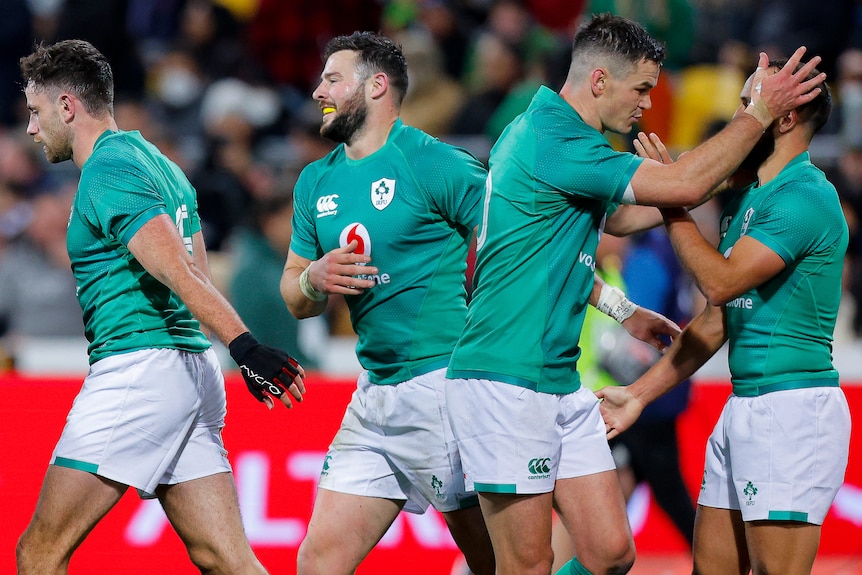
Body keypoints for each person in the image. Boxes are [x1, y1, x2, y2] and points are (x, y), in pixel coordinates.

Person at [444, 12, 826, 575]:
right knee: (526, 565)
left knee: (612, 554)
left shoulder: (547, 135)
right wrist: (757, 114)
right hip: (506, 379)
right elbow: (683, 187)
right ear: (600, 80)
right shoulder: (557, 140)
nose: (648, 104)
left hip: (555, 379)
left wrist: (621, 310)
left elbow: (617, 221)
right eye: (642, 88)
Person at [16, 39, 306, 575]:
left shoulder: (107, 170)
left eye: (35, 112)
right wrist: (234, 348)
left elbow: (174, 266)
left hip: (137, 371)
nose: (31, 129)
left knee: (38, 551)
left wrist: (245, 347)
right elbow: (197, 274)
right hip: (190, 374)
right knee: (226, 559)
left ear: (66, 106)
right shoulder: (163, 166)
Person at [599, 59, 850, 575]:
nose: (738, 118)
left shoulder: (805, 196)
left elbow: (720, 281)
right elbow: (717, 319)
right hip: (745, 407)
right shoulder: (745, 194)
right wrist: (637, 396)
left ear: (782, 119)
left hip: (793, 411)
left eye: (749, 105)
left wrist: (676, 205)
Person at [279, 31, 495, 575]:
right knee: (318, 561)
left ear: (376, 86)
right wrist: (314, 279)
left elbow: (517, 243)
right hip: (374, 395)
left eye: (332, 79)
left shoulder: (435, 164)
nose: (317, 91)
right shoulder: (315, 181)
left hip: (442, 389)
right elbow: (292, 293)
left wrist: (612, 304)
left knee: (498, 561)